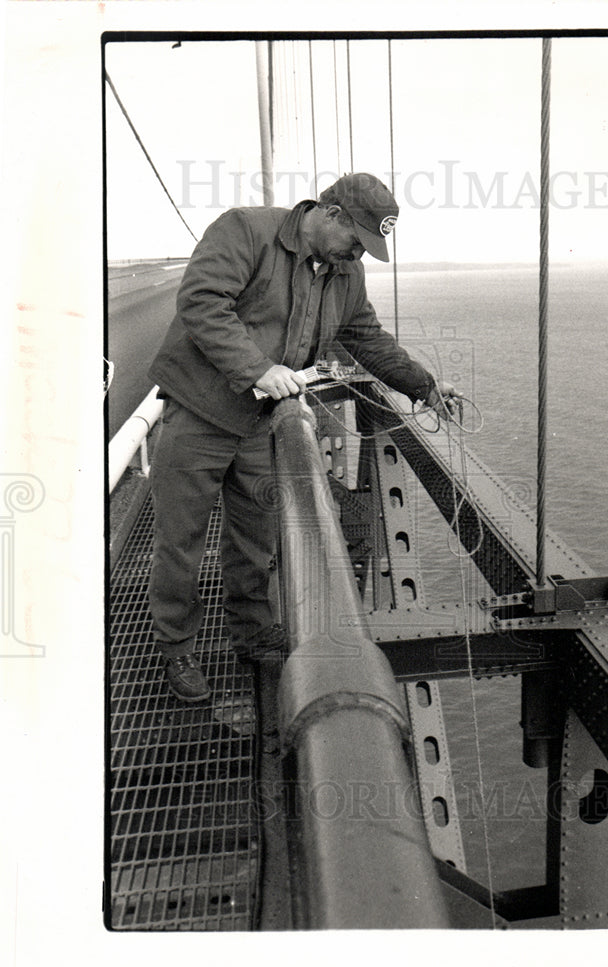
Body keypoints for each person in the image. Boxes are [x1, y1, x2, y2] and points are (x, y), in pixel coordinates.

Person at [147, 172, 459, 702]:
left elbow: (366, 337)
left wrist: (422, 385)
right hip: (199, 415)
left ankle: (250, 634)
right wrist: (258, 369)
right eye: (357, 240)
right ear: (332, 214)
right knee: (181, 543)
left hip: (258, 423)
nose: (358, 254)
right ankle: (177, 647)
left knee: (254, 537)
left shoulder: (345, 274)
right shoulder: (246, 230)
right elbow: (201, 301)